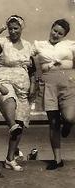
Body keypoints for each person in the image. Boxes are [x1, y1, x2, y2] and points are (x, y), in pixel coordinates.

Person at [0, 15, 35, 171]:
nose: (13, 31)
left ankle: (10, 159)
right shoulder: (2, 42)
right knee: (9, 100)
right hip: (4, 80)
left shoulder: (28, 45)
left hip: (23, 86)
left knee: (20, 122)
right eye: (10, 28)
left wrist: (33, 84)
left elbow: (32, 68)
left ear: (21, 28)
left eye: (16, 28)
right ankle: (11, 124)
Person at [32, 19, 75, 170]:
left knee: (70, 117)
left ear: (64, 35)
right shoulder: (39, 45)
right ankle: (57, 159)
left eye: (60, 33)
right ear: (51, 28)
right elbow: (26, 58)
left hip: (68, 82)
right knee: (54, 123)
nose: (56, 34)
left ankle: (68, 124)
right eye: (54, 31)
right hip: (48, 84)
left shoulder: (70, 45)